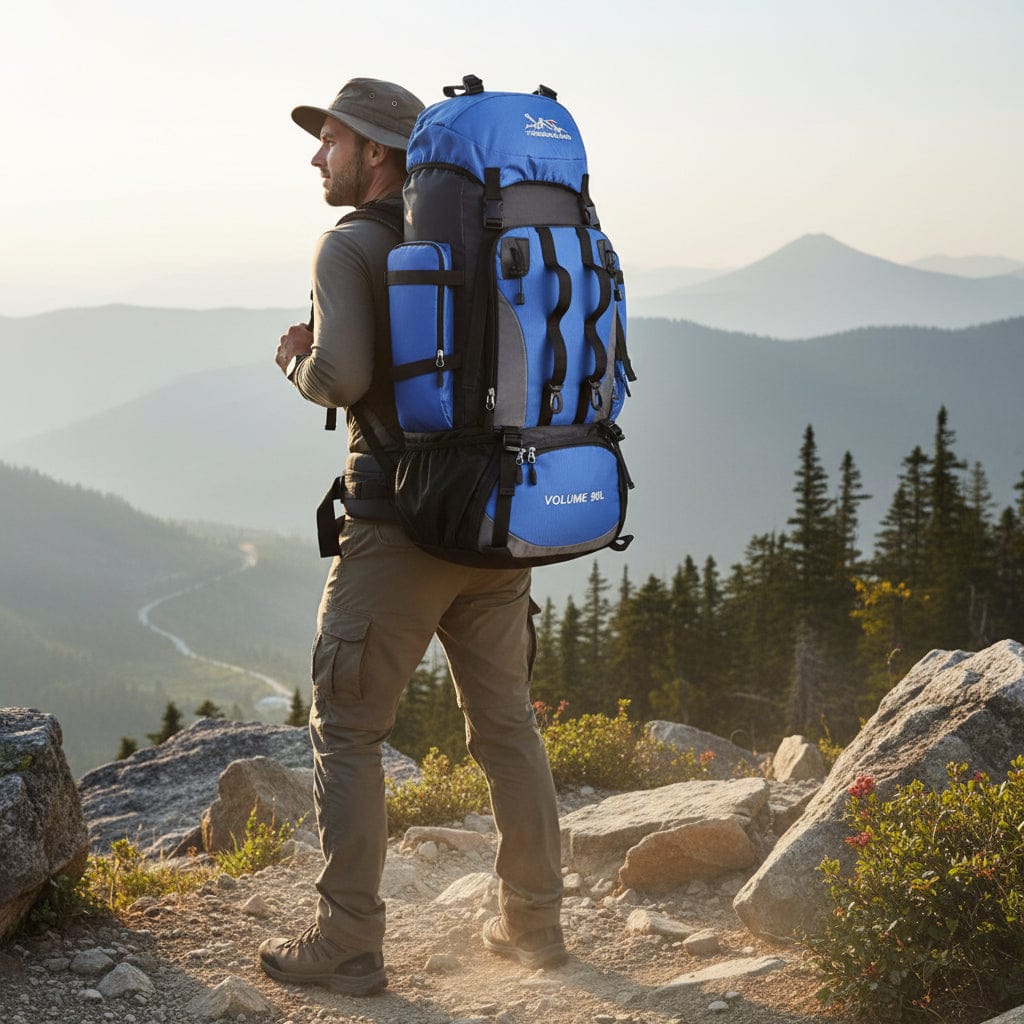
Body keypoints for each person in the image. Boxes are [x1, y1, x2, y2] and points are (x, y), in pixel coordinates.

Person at [260, 77, 566, 996]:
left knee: (347, 728)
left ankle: (348, 942)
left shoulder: (349, 244)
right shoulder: (483, 238)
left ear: (380, 154)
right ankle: (536, 926)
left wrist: (296, 364)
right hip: (495, 521)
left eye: (334, 141)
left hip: (399, 532)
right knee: (507, 726)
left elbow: (345, 375)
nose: (319, 155)